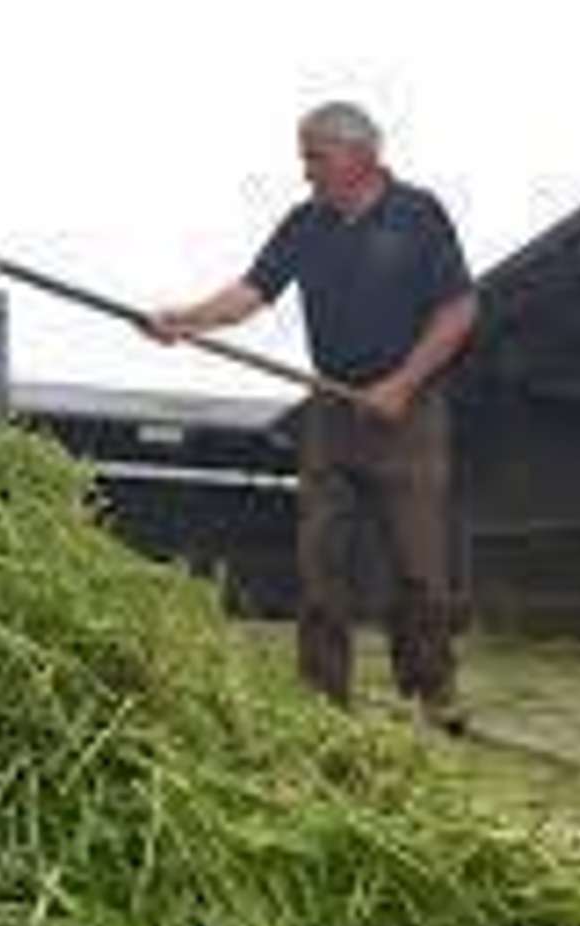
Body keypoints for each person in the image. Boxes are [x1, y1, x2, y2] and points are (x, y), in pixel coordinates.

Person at [148, 101, 478, 732]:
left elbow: (459, 310)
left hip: (408, 416)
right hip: (332, 408)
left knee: (418, 566)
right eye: (305, 157)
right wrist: (183, 320)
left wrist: (403, 384)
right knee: (321, 560)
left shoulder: (418, 215)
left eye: (314, 157)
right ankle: (321, 700)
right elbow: (251, 293)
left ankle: (433, 687)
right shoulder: (306, 224)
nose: (305, 172)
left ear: (362, 155)